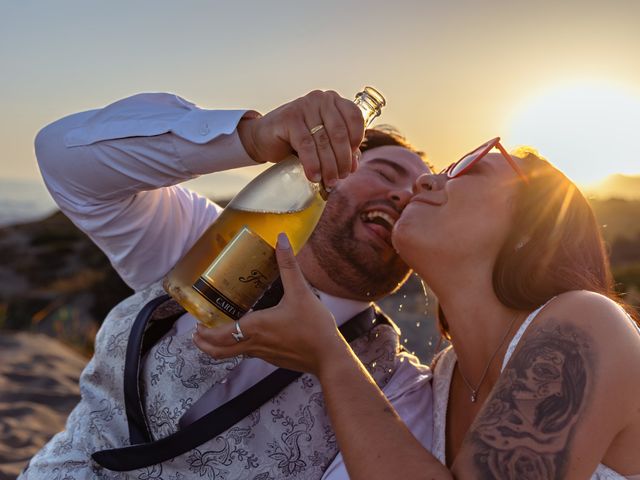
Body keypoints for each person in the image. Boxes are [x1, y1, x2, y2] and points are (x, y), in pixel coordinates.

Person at [22, 90, 433, 478]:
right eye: (385, 173)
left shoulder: (398, 388)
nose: (402, 196)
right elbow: (63, 156)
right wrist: (252, 137)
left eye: (421, 197)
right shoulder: (205, 239)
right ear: (330, 167)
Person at [196, 138, 640, 479]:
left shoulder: (588, 322)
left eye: (470, 169)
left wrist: (330, 357)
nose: (426, 182)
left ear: (537, 226)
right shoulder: (443, 379)